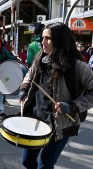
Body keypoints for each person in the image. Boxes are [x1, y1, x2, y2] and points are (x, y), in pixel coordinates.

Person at [18, 22, 93, 169]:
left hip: (60, 123)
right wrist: (24, 88)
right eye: (43, 38)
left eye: (48, 38)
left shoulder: (78, 66)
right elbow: (30, 74)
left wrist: (73, 106)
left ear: (60, 40)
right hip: (35, 118)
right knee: (27, 161)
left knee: (45, 164)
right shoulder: (40, 58)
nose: (43, 42)